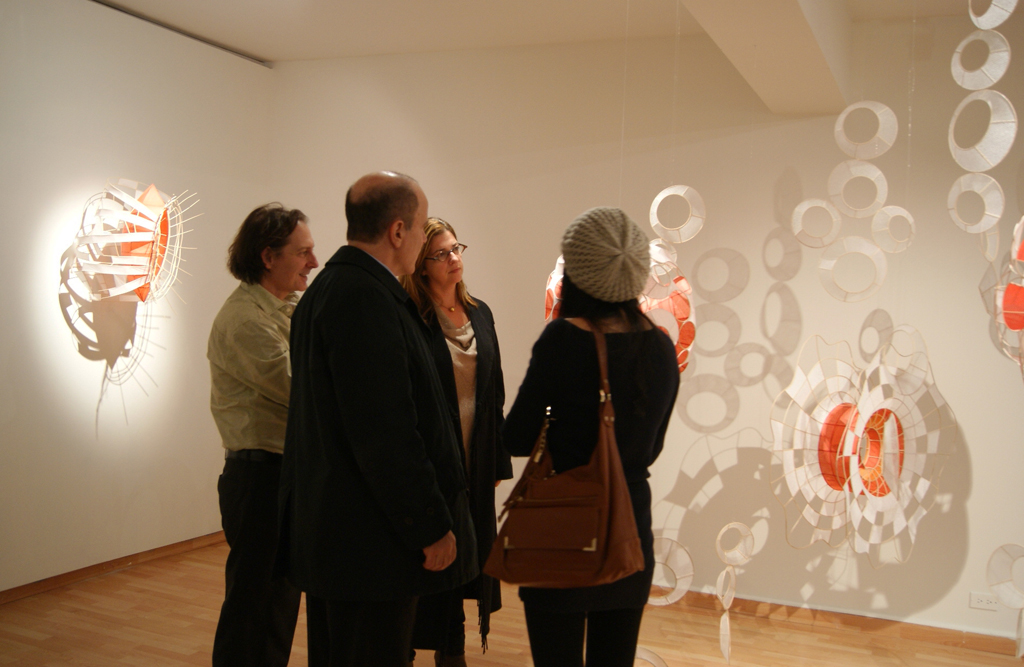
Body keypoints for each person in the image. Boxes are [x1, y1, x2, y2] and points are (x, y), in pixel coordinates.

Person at [278, 172, 478, 667]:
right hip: (367, 545)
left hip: (346, 536)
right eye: (417, 228)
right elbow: (385, 432)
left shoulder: (333, 290)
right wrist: (430, 525)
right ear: (396, 231)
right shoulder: (363, 299)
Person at [501, 207, 680, 667]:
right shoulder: (660, 345)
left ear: (577, 274)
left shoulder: (562, 339)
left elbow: (517, 436)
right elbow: (652, 447)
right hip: (629, 530)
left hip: (563, 527)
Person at [207, 203, 318, 667]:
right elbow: (302, 390)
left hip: (282, 474)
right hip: (258, 482)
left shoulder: (290, 307)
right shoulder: (245, 320)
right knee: (253, 611)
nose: (314, 262)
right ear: (268, 257)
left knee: (278, 606)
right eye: (303, 252)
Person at [400, 218, 513, 665]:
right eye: (442, 254)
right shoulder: (412, 318)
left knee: (468, 562)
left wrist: (498, 463)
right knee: (432, 564)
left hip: (477, 461)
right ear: (421, 265)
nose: (454, 259)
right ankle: (410, 649)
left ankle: (453, 651)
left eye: (456, 249)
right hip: (435, 461)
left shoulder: (479, 312)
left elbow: (495, 391)